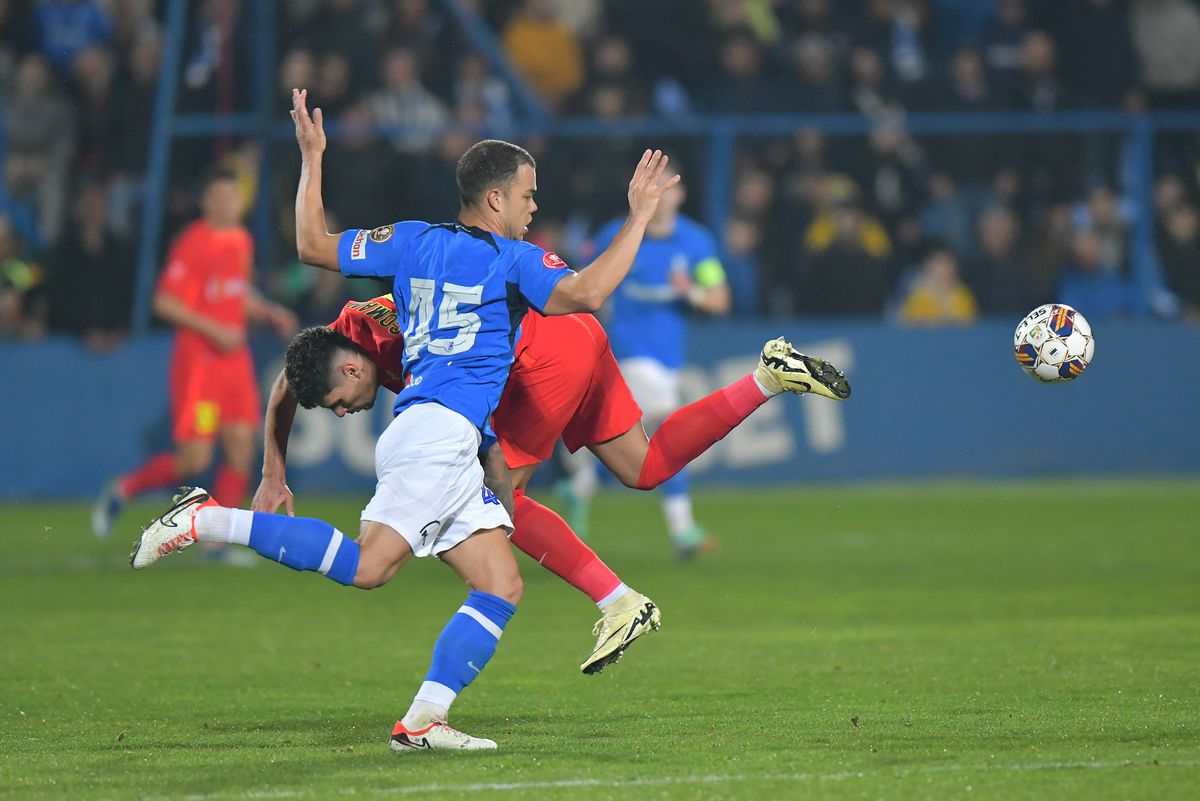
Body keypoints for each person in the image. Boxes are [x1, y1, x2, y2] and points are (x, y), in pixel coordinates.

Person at [130, 89, 684, 754]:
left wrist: (314, 159)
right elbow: (589, 294)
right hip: (438, 435)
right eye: (529, 195)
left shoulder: (411, 242)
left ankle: (423, 718)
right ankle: (202, 517)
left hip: (438, 432)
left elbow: (310, 244)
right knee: (369, 567)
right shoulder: (510, 261)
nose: (536, 208)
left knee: (501, 582)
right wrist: (639, 217)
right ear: (495, 199)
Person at [253, 293, 850, 675]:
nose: (340, 412)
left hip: (540, 357)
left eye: (336, 402)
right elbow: (288, 382)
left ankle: (620, 603)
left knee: (497, 498)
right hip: (573, 332)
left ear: (352, 365)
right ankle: (769, 378)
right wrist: (273, 472)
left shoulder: (397, 335)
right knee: (642, 467)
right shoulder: (352, 327)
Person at [93, 169, 297, 539]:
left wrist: (267, 310)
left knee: (242, 449)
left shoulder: (240, 239)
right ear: (205, 202)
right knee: (195, 460)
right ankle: (123, 488)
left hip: (234, 362)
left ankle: (217, 543)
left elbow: (234, 292)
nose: (226, 204)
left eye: (232, 197)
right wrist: (215, 330)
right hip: (200, 364)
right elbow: (165, 302)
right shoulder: (193, 243)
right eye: (218, 197)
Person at [572, 161, 732, 559]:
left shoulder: (696, 243)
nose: (661, 197)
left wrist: (690, 291)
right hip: (625, 350)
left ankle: (579, 483)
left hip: (668, 356)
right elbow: (583, 279)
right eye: (653, 188)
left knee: (628, 434)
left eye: (668, 188)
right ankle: (682, 529)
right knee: (667, 423)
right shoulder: (617, 233)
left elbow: (719, 299)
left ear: (680, 194)